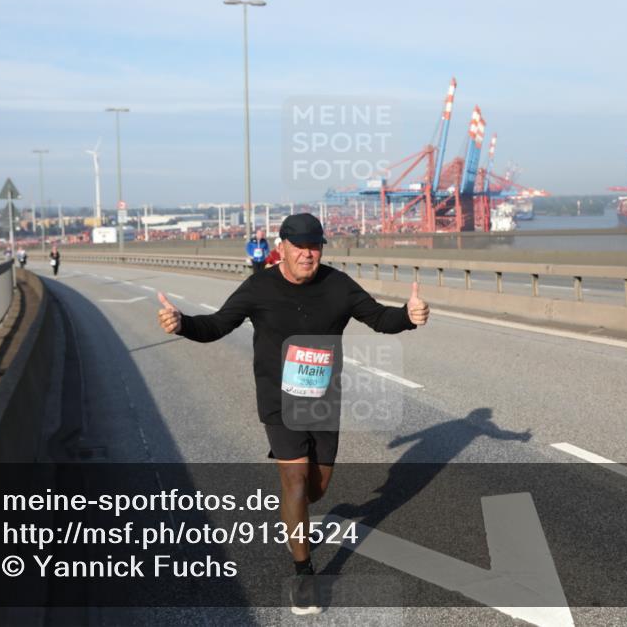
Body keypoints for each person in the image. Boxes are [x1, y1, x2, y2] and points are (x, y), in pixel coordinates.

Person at [157, 213, 429, 614]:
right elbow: (216, 325)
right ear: (280, 247)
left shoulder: (337, 285)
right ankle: (303, 573)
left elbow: (378, 318)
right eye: (299, 246)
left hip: (321, 400)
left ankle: (295, 515)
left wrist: (407, 316)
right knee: (296, 480)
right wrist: (181, 323)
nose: (307, 254)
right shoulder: (259, 288)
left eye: (314, 246)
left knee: (316, 488)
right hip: (277, 400)